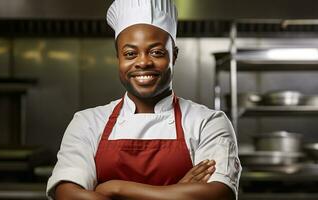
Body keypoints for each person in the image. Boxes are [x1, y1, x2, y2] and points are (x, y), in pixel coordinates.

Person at [46, 0, 242, 199]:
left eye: (156, 52)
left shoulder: (207, 122)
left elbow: (219, 194)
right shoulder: (88, 122)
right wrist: (177, 191)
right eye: (130, 53)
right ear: (118, 59)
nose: (143, 62)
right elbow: (67, 194)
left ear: (174, 55)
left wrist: (115, 188)